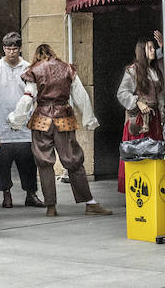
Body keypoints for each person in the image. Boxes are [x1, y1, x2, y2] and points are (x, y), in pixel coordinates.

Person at [18, 43, 110, 217]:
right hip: (63, 118)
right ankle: (89, 203)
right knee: (73, 161)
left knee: (45, 164)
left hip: (41, 119)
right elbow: (81, 95)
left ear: (37, 56)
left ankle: (51, 207)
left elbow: (28, 97)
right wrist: (89, 118)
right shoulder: (67, 69)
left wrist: (17, 118)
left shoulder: (34, 70)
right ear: (53, 54)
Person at [0, 32, 39, 209]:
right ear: (3, 49)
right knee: (2, 161)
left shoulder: (28, 68)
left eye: (14, 48)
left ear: (20, 48)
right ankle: (6, 194)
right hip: (1, 121)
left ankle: (31, 193)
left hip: (24, 122)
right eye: (8, 49)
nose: (11, 52)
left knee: (28, 161)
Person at [116, 37, 163, 192]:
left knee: (154, 152)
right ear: (141, 51)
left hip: (154, 118)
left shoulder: (156, 70)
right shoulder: (133, 70)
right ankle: (135, 186)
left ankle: (151, 184)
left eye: (153, 47)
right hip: (139, 120)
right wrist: (138, 102)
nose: (152, 50)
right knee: (138, 154)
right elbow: (122, 93)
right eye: (149, 47)